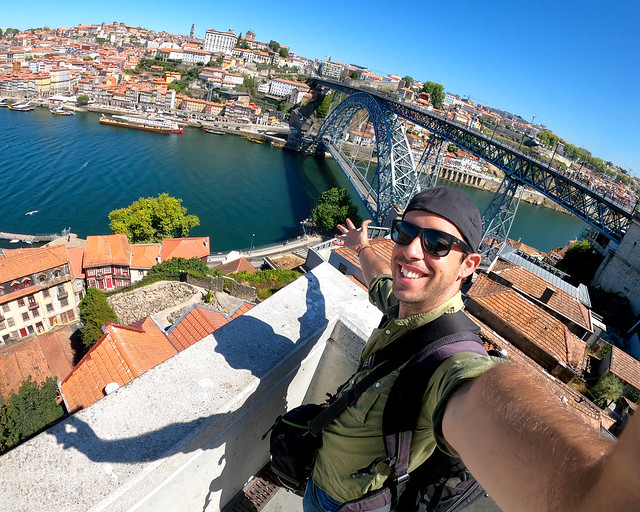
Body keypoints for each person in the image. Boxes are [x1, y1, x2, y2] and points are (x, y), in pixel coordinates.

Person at [302, 186, 640, 512]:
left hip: (346, 504)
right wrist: (361, 247)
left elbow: (476, 395)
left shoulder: (452, 361)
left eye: (437, 244)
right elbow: (381, 280)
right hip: (318, 474)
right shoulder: (407, 307)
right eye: (405, 232)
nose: (411, 251)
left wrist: (601, 492)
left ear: (468, 265)